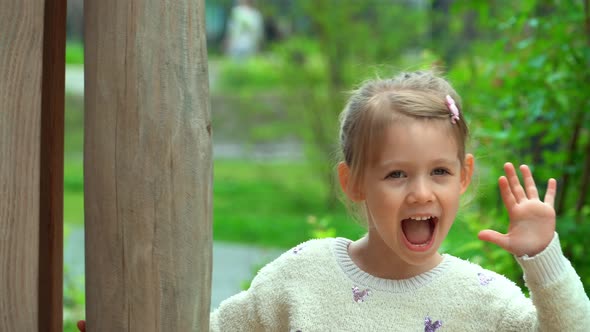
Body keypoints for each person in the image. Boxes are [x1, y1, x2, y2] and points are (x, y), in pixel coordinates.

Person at [77, 70, 590, 331]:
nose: (420, 192)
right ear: (353, 183)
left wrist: (542, 258)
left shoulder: (485, 298)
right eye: (395, 174)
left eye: (439, 171)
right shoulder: (301, 274)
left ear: (464, 177)